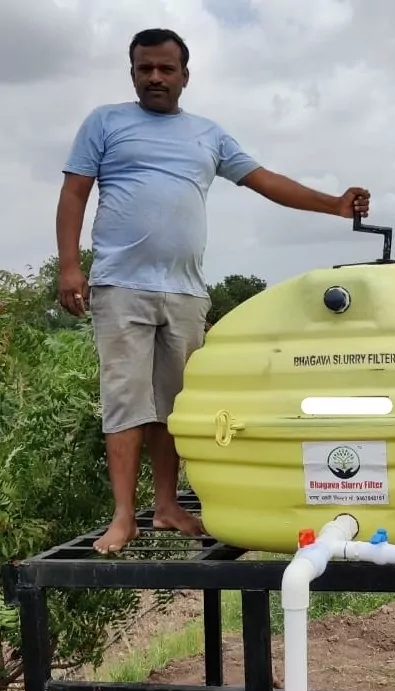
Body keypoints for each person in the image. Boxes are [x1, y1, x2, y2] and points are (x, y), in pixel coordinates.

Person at [57, 27, 371, 555]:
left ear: (185, 75)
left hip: (184, 292)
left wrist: (333, 204)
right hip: (120, 288)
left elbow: (264, 180)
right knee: (125, 402)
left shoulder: (208, 134)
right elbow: (73, 193)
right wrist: (70, 266)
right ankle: (123, 517)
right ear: (132, 72)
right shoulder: (105, 123)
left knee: (176, 406)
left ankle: (167, 504)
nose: (155, 77)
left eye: (165, 68)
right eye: (144, 69)